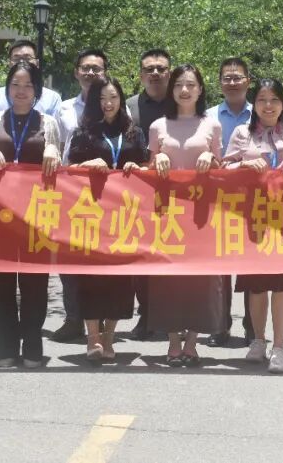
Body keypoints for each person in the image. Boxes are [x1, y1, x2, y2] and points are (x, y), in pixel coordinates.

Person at [0, 61, 62, 367]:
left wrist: (53, 151)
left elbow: (60, 168)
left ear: (37, 90)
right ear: (7, 88)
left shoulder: (49, 123)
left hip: (37, 214)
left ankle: (33, 344)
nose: (21, 91)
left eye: (28, 85)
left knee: (35, 282)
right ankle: (5, 347)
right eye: (15, 84)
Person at [221, 78, 283, 373]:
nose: (268, 106)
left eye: (274, 100)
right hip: (252, 216)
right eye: (261, 100)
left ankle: (279, 347)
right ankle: (258, 340)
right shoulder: (241, 133)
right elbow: (224, 169)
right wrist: (243, 165)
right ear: (254, 104)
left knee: (282, 285)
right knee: (256, 285)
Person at [64, 76, 147, 361]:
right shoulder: (84, 132)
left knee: (119, 281)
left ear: (121, 100)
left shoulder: (134, 132)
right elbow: (69, 170)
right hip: (92, 215)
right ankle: (93, 338)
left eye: (112, 97)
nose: (107, 103)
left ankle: (109, 338)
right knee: (90, 278)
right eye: (101, 98)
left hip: (124, 216)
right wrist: (87, 164)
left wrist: (138, 167)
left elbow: (146, 167)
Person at [148, 64, 225, 366]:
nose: (184, 90)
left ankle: (192, 342)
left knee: (199, 278)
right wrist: (158, 158)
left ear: (200, 89)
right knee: (167, 277)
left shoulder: (212, 125)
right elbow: (149, 169)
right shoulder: (158, 126)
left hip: (201, 211)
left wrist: (211, 157)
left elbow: (221, 169)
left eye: (191, 84)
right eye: (179, 84)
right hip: (167, 210)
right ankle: (172, 341)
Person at [51, 48, 110, 344]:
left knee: (102, 257)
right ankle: (73, 318)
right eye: (85, 68)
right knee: (70, 259)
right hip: (70, 191)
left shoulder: (113, 105)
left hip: (105, 193)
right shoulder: (63, 109)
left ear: (105, 72)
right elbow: (54, 144)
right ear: (76, 72)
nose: (90, 73)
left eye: (96, 68)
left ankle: (101, 319)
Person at [205, 56, 253, 347]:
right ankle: (219, 325)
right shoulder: (208, 116)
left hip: (252, 199)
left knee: (250, 265)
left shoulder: (261, 113)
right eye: (227, 78)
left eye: (238, 77)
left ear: (248, 80)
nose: (232, 82)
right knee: (218, 266)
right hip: (216, 199)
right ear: (220, 82)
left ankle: (252, 325)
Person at [125, 48, 172, 340]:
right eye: (149, 69)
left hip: (178, 192)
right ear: (141, 75)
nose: (155, 74)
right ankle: (146, 314)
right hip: (139, 192)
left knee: (173, 254)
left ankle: (173, 315)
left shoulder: (182, 101)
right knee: (142, 258)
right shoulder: (129, 107)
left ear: (170, 73)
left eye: (161, 69)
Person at [0, 40, 62, 116]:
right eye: (16, 59)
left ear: (37, 63)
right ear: (9, 63)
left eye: (27, 58)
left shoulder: (52, 99)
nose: (22, 62)